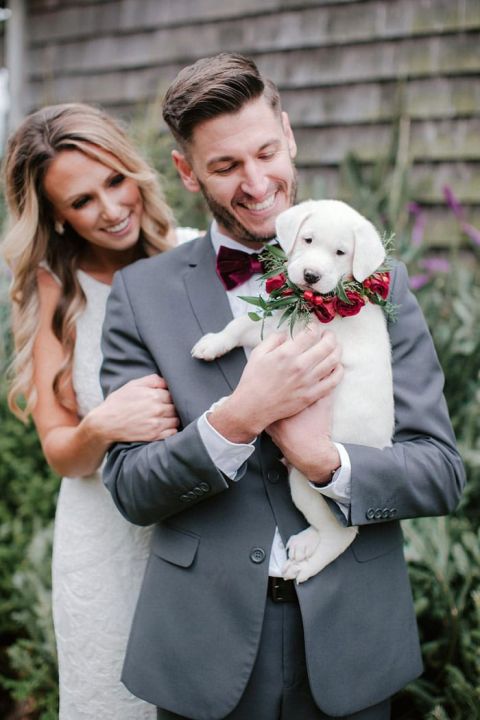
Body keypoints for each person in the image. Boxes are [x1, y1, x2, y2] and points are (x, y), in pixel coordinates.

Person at [100, 54, 465, 720]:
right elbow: (130, 486)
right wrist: (236, 420)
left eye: (267, 151)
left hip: (351, 643)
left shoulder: (380, 283)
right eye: (225, 165)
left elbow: (441, 472)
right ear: (187, 173)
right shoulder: (140, 295)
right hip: (203, 650)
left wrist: (324, 462)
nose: (258, 182)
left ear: (290, 136)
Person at [1, 102, 185, 719]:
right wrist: (102, 424)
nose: (110, 210)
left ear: (135, 172)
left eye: (114, 181)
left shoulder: (191, 256)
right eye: (82, 202)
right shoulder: (56, 291)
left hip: (197, 528)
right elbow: (60, 452)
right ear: (55, 216)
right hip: (104, 537)